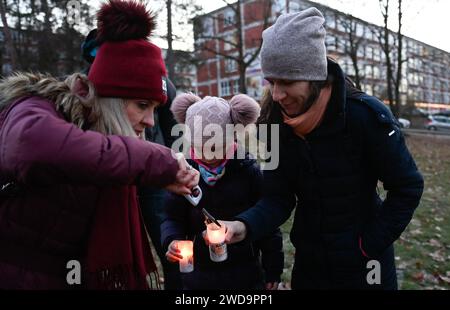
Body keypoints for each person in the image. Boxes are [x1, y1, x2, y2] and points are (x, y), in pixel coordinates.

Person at [0, 0, 198, 289]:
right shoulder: (34, 106)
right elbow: (30, 148)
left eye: (155, 108)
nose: (150, 121)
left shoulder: (111, 144)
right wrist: (156, 160)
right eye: (142, 105)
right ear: (111, 98)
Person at [221, 8, 424, 290]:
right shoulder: (275, 123)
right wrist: (242, 226)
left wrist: (367, 246)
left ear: (314, 76)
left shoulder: (365, 116)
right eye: (272, 81)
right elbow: (278, 198)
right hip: (310, 267)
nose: (277, 94)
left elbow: (408, 186)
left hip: (367, 269)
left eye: (287, 82)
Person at [81, 27, 182, 290]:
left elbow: (172, 124)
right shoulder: (90, 84)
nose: (148, 118)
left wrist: (174, 159)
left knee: (167, 238)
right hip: (112, 174)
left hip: (153, 172)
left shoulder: (158, 80)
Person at [161, 94, 284, 290]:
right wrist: (172, 239)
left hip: (245, 275)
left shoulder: (247, 171)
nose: (208, 157)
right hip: (198, 277)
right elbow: (171, 217)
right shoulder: (183, 175)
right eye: (200, 148)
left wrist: (272, 269)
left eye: (216, 148)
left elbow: (267, 225)